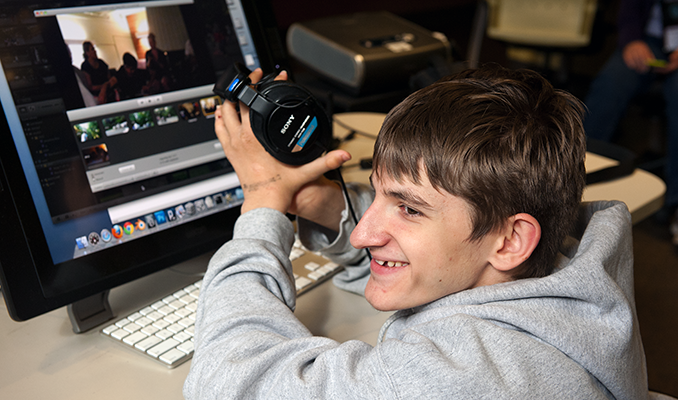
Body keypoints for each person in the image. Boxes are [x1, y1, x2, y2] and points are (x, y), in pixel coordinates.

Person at [183, 65, 649, 399]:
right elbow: (438, 255)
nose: (364, 234)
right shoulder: (570, 270)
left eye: (407, 208)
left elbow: (229, 380)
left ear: (509, 241)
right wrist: (312, 202)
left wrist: (263, 205)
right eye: (381, 196)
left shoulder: (448, 379)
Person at [584, 0, 678, 243]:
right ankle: (572, 176)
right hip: (648, 39)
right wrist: (631, 40)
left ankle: (675, 202)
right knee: (610, 85)